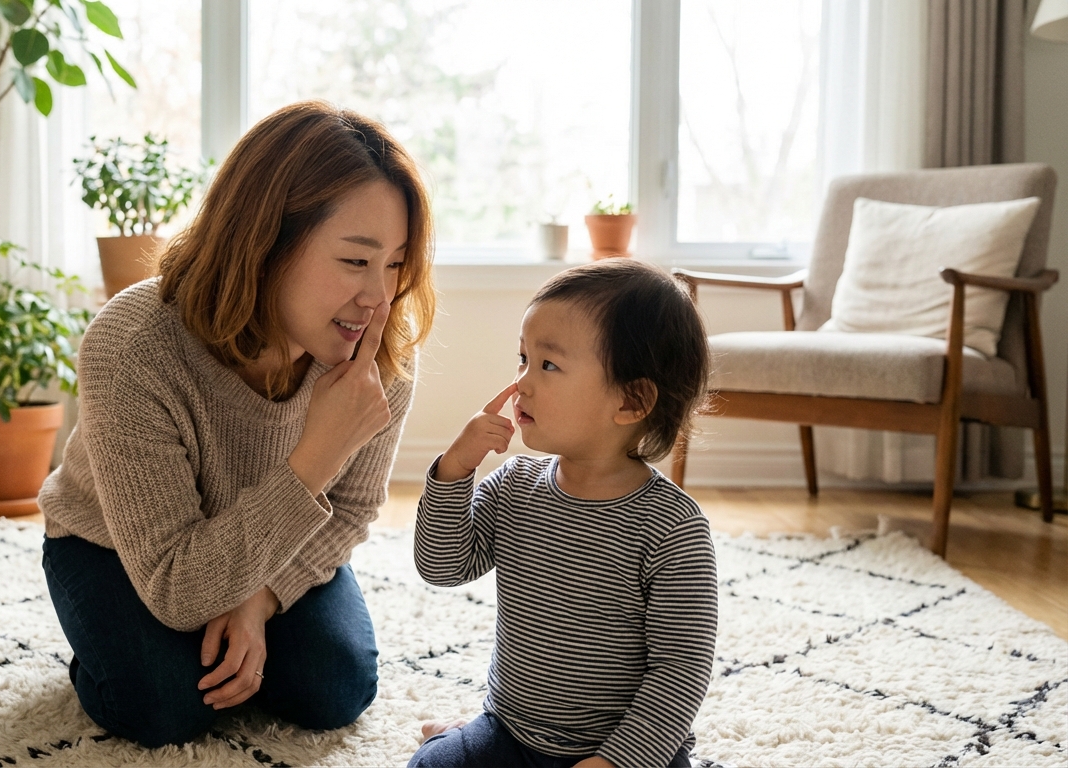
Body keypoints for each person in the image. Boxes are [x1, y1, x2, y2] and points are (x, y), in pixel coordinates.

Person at [38, 101, 436, 749]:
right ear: (266, 242)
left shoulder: (381, 344)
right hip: (117, 545)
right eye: (356, 260)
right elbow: (176, 587)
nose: (379, 296)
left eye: (395, 263)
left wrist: (260, 600)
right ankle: (102, 651)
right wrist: (318, 452)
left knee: (333, 688)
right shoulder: (135, 343)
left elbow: (352, 510)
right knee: (163, 706)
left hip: (266, 543)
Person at [409, 259, 717, 768]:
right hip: (511, 732)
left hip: (624, 752)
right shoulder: (515, 487)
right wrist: (453, 472)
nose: (522, 383)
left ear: (631, 399)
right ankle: (454, 736)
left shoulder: (672, 527)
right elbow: (442, 567)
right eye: (523, 359)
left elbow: (680, 671)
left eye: (547, 365)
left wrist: (612, 763)